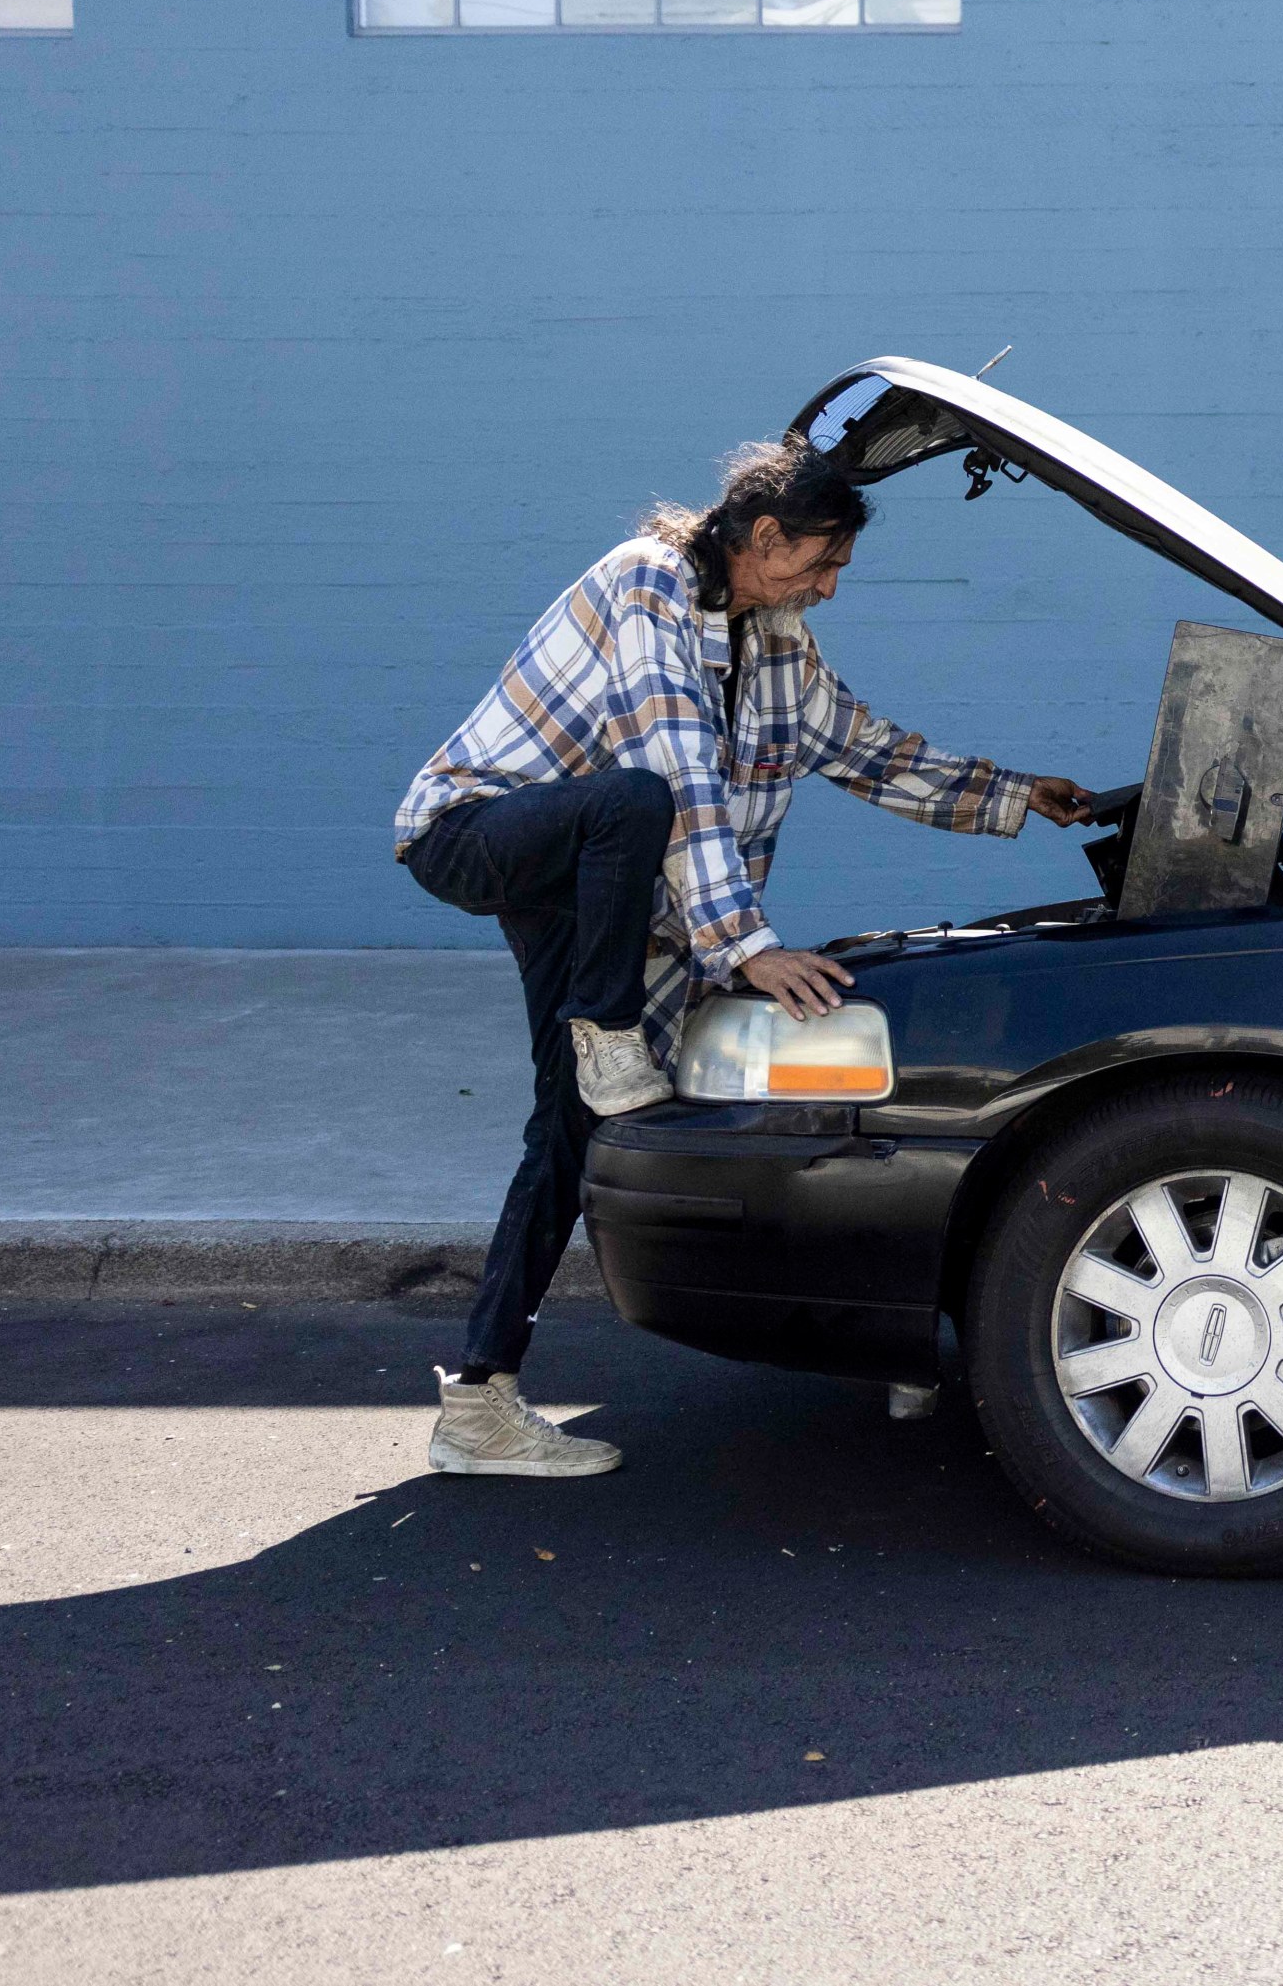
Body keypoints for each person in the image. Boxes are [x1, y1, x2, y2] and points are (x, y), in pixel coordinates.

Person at [392, 435, 1094, 1480]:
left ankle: (480, 1402)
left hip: (615, 900)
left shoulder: (775, 645)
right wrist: (745, 946)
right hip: (480, 831)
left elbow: (867, 747)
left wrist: (1013, 793)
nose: (830, 583)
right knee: (635, 801)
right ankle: (606, 1031)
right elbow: (669, 760)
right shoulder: (646, 584)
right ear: (763, 535)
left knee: (571, 1133)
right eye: (821, 561)